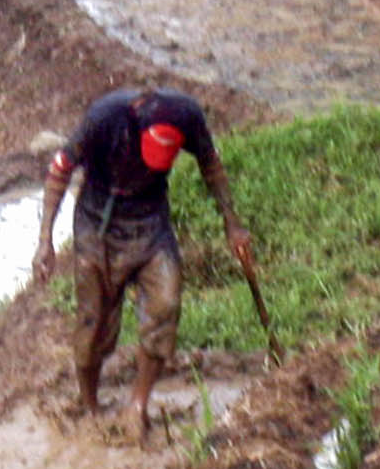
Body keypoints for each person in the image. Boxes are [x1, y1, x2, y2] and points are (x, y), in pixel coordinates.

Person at [32, 84, 253, 440]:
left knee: (165, 306)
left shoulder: (186, 115)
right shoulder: (104, 118)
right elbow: (60, 170)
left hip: (151, 225)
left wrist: (232, 222)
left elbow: (210, 162)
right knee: (94, 322)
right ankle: (90, 407)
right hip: (97, 226)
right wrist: (45, 241)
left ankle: (138, 404)